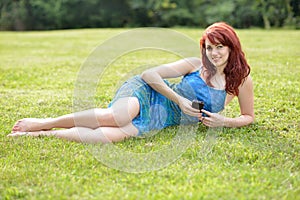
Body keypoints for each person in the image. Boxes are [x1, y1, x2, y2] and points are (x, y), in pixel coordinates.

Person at [8, 22, 254, 144]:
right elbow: (149, 74)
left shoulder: (241, 80)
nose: (214, 53)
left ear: (232, 46)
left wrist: (225, 121)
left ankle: (44, 135)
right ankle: (44, 122)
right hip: (147, 94)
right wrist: (178, 98)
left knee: (113, 136)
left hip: (162, 117)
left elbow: (248, 116)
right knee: (117, 116)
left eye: (219, 47)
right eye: (209, 48)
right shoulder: (194, 64)